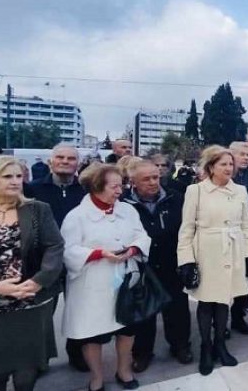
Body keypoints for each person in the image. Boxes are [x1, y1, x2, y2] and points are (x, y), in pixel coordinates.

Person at [0, 156, 64, 391]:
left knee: (26, 374)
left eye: (19, 176)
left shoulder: (37, 210)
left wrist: (39, 281)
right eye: (7, 176)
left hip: (30, 302)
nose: (15, 181)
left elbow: (54, 246)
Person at [62, 163, 151, 391]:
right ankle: (97, 377)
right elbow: (68, 251)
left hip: (125, 278)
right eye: (114, 187)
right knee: (93, 333)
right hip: (92, 283)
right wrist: (99, 253)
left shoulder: (128, 210)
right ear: (96, 186)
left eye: (121, 186)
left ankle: (123, 370)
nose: (120, 191)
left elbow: (142, 236)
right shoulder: (77, 216)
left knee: (126, 329)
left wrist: (132, 250)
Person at [177, 146, 248, 376]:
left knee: (224, 300)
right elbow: (186, 229)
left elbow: (246, 225)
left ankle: (220, 343)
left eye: (231, 164)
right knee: (206, 301)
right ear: (211, 167)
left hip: (232, 249)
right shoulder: (196, 191)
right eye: (223, 164)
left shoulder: (240, 191)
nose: (229, 168)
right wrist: (186, 260)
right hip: (206, 251)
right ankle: (206, 346)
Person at [23, 144, 89, 371]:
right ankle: (37, 360)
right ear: (51, 161)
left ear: (77, 164)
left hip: (77, 261)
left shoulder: (85, 191)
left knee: (79, 310)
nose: (65, 161)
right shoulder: (32, 190)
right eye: (60, 157)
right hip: (43, 263)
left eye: (71, 158)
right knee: (41, 315)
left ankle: (78, 354)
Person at [123, 160, 192, 372]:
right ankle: (142, 352)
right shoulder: (124, 204)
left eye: (156, 177)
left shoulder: (175, 198)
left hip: (172, 264)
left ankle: (180, 345)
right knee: (144, 312)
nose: (154, 182)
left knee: (177, 308)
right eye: (147, 179)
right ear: (133, 181)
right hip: (143, 267)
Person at [228, 141, 248, 335]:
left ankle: (238, 316)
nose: (246, 157)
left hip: (247, 237)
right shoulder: (219, 176)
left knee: (247, 276)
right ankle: (219, 323)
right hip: (224, 238)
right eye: (242, 154)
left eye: (247, 154)